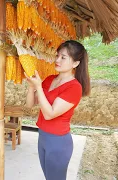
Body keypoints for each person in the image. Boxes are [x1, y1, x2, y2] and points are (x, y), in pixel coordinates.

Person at [25, 40, 90, 180]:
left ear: (75, 64)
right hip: (42, 137)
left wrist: (38, 87)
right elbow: (30, 105)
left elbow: (50, 114)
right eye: (57, 55)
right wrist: (32, 87)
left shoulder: (74, 87)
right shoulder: (49, 79)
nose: (57, 60)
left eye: (63, 57)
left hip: (58, 142)